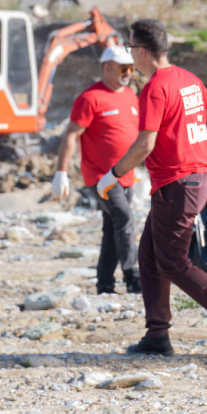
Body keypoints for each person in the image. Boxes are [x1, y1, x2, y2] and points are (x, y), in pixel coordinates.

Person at [97, 18, 207, 358]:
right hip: (194, 180)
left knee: (173, 262)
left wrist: (113, 175)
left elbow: (145, 144)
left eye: (130, 48)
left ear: (142, 52)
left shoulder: (155, 88)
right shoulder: (189, 79)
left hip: (178, 184)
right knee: (149, 256)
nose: (130, 54)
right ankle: (157, 335)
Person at [52, 45, 141, 295]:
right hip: (100, 176)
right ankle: (133, 277)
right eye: (123, 68)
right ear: (107, 67)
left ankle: (104, 284)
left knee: (112, 227)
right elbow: (71, 136)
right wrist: (61, 172)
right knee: (124, 218)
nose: (128, 73)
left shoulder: (131, 96)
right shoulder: (90, 98)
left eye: (131, 68)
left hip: (126, 175)